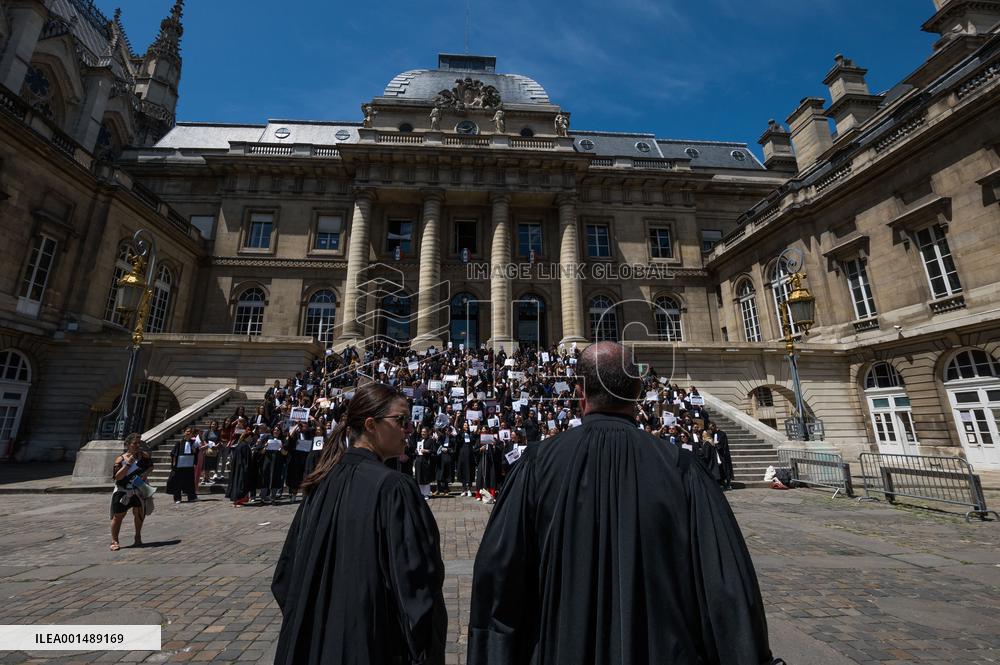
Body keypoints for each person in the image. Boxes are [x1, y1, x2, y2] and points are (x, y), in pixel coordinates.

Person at [467, 342, 774, 665]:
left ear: (579, 393)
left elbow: (498, 580)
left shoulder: (534, 465)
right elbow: (727, 590)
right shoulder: (683, 469)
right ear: (638, 392)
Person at [272, 382, 446, 665]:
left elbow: (284, 580)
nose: (409, 429)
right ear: (371, 424)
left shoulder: (321, 482)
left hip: (313, 647)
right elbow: (418, 588)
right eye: (401, 420)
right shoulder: (394, 488)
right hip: (370, 646)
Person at [110, 433, 153, 551]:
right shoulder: (121, 459)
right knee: (118, 516)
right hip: (123, 491)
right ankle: (115, 540)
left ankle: (138, 536)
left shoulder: (144, 456)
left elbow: (150, 466)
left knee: (139, 513)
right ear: (128, 444)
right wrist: (128, 464)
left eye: (139, 443)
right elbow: (117, 477)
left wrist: (145, 474)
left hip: (138, 489)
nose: (138, 445)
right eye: (135, 443)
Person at [168, 427, 200, 503]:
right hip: (180, 466)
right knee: (178, 482)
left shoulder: (194, 443)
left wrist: (195, 451)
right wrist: (174, 464)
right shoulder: (179, 443)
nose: (188, 433)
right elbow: (174, 454)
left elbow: (196, 453)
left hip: (189, 465)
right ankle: (177, 498)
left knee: (190, 482)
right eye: (187, 431)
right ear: (184, 432)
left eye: (190, 432)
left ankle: (191, 497)